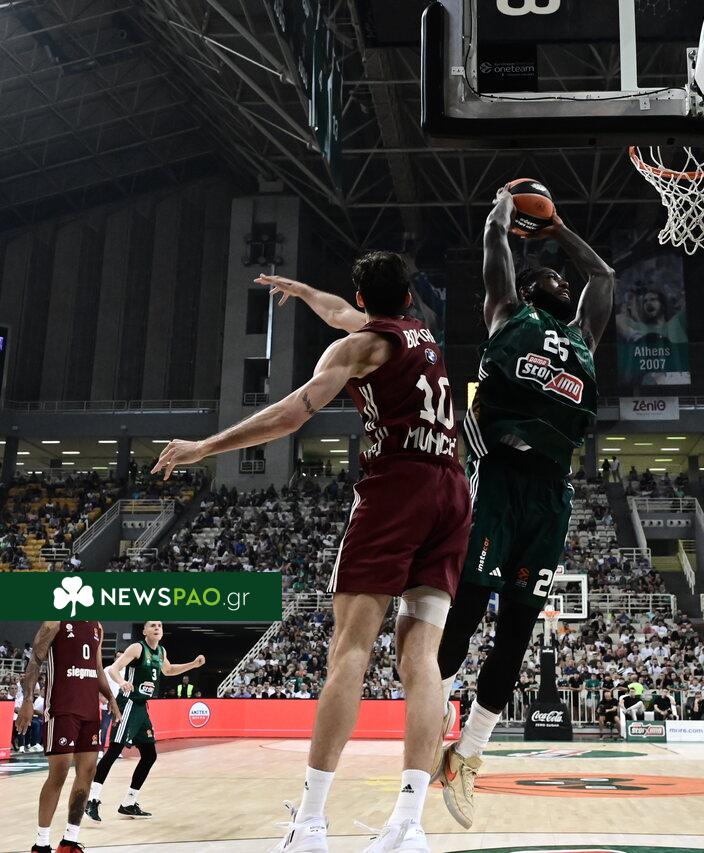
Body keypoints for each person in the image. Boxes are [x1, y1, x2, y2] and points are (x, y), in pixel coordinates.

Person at [264, 192, 613, 831]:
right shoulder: (507, 312)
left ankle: (468, 753)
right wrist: (505, 210)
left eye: (565, 280)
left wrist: (560, 228)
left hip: (552, 493)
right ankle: (429, 739)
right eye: (550, 276)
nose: (562, 282)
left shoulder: (584, 336)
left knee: (518, 631)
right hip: (494, 479)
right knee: (460, 617)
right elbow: (494, 243)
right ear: (527, 289)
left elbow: (604, 276)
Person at [176, 250, 471, 852]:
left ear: (365, 301)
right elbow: (341, 312)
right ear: (408, 298)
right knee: (422, 659)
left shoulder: (356, 348)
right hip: (452, 491)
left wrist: (205, 447)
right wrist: (307, 292)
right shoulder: (422, 336)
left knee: (350, 651)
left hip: (398, 490)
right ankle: (409, 823)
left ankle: (310, 821)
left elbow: (292, 414)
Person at [85, 621, 204, 822]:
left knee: (149, 755)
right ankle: (92, 800)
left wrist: (192, 664)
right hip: (129, 703)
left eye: (159, 626)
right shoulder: (137, 648)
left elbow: (169, 670)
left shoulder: (161, 651)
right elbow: (114, 669)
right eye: (152, 625)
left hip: (142, 707)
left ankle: (129, 803)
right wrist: (122, 682)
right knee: (114, 751)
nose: (157, 628)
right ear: (144, 631)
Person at [17, 621, 119, 853]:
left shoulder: (97, 626)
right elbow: (35, 660)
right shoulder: (55, 621)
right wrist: (28, 700)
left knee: (88, 772)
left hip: (90, 710)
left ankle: (69, 841)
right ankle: (41, 844)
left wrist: (111, 699)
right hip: (61, 708)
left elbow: (97, 668)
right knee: (59, 772)